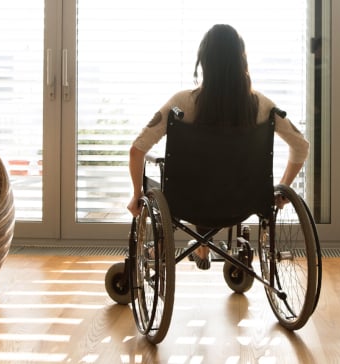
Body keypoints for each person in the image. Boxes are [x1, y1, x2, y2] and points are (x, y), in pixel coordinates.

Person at [127, 24, 310, 269]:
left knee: (197, 182)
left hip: (190, 202)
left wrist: (136, 195)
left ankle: (189, 247)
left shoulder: (181, 104)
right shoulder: (263, 107)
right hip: (243, 202)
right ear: (241, 60)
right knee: (219, 180)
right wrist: (281, 190)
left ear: (204, 61)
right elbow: (301, 145)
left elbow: (137, 149)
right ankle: (203, 247)